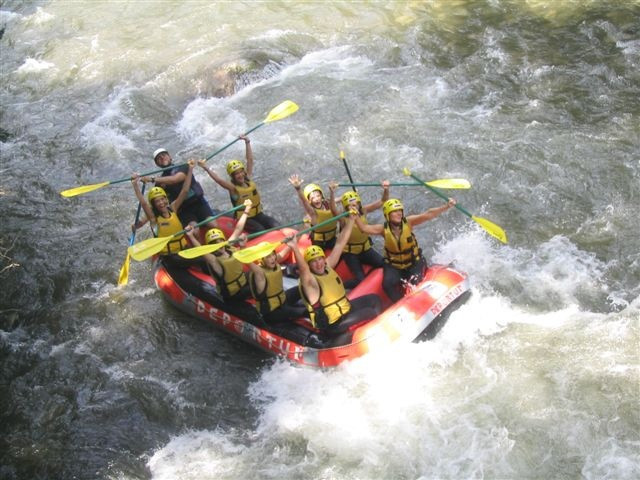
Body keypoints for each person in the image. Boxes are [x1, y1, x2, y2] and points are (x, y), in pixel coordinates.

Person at [286, 209, 382, 342]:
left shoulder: (327, 266)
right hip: (332, 324)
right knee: (370, 313)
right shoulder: (310, 282)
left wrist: (351, 221)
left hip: (344, 309)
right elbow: (303, 269)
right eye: (314, 262)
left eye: (320, 259)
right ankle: (369, 338)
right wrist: (294, 247)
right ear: (309, 265)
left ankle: (367, 332)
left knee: (374, 299)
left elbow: (340, 243)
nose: (319, 263)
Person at [354, 197, 456, 302]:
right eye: (395, 211)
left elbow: (428, 215)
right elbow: (364, 228)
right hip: (395, 266)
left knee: (414, 284)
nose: (399, 213)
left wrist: (446, 206)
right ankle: (400, 303)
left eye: (400, 211)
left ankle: (415, 299)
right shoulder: (382, 229)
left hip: (414, 262)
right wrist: (355, 216)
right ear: (387, 215)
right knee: (387, 285)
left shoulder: (409, 222)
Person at [198, 135, 279, 233]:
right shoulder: (233, 189)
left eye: (241, 172)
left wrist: (247, 142)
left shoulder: (248, 179)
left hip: (258, 214)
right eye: (236, 174)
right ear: (233, 177)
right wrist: (205, 168)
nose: (240, 175)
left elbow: (250, 160)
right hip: (245, 219)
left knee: (275, 224)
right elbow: (219, 180)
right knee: (260, 229)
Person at [184, 199, 254, 303]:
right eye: (214, 243)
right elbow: (200, 250)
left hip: (241, 282)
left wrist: (246, 211)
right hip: (232, 294)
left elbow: (238, 229)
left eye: (220, 240)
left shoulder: (227, 246)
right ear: (211, 246)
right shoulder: (213, 259)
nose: (219, 244)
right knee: (257, 285)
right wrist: (191, 236)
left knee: (258, 273)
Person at [131, 159, 196, 268]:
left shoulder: (173, 208)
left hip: (183, 249)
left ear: (166, 199)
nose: (161, 203)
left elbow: (184, 191)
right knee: (201, 260)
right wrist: (135, 185)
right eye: (157, 201)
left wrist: (190, 169)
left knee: (205, 259)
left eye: (162, 199)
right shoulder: (153, 219)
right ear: (154, 204)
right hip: (169, 256)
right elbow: (144, 203)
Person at [140, 148, 217, 231]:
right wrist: (141, 222)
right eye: (158, 158)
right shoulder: (159, 183)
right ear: (157, 164)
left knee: (212, 224)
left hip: (198, 203)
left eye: (164, 155)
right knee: (194, 231)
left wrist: (151, 179)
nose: (162, 157)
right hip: (183, 210)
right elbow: (155, 205)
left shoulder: (184, 166)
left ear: (170, 157)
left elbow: (175, 179)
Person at [338, 182, 389, 288]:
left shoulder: (363, 210)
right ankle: (340, 286)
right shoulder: (342, 218)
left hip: (365, 249)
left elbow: (383, 201)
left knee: (385, 264)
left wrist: (386, 189)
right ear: (346, 207)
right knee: (361, 280)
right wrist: (333, 193)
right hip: (350, 254)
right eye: (351, 205)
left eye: (356, 204)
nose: (354, 207)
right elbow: (332, 209)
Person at [246, 241, 308, 324]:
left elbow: (284, 252)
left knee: (304, 287)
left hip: (282, 300)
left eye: (273, 254)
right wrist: (242, 247)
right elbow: (248, 261)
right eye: (268, 256)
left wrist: (294, 240)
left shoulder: (273, 262)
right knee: (304, 311)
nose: (272, 258)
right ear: (262, 259)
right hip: (272, 312)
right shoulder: (259, 274)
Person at [288, 175, 339, 249]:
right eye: (313, 198)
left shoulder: (327, 203)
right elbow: (304, 201)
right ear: (309, 200)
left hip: (332, 239)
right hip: (318, 242)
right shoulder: (311, 212)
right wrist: (298, 189)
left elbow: (336, 200)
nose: (316, 199)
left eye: (318, 196)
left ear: (322, 196)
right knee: (307, 223)